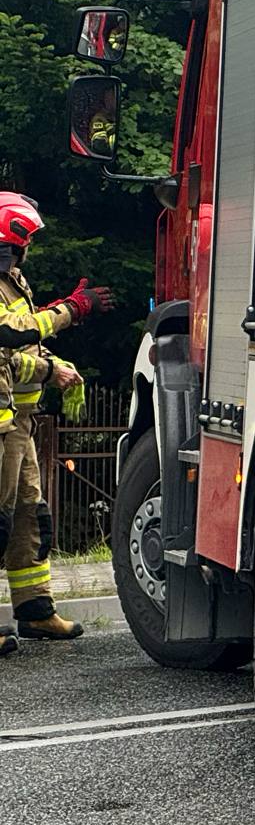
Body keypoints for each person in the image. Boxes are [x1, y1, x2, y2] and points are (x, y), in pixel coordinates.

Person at [0, 192, 113, 650]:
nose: (27, 250)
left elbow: (24, 345)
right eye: (23, 242)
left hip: (17, 421)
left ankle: (35, 611)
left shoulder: (12, 281)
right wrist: (71, 311)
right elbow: (9, 337)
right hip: (3, 424)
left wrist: (53, 364)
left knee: (30, 515)